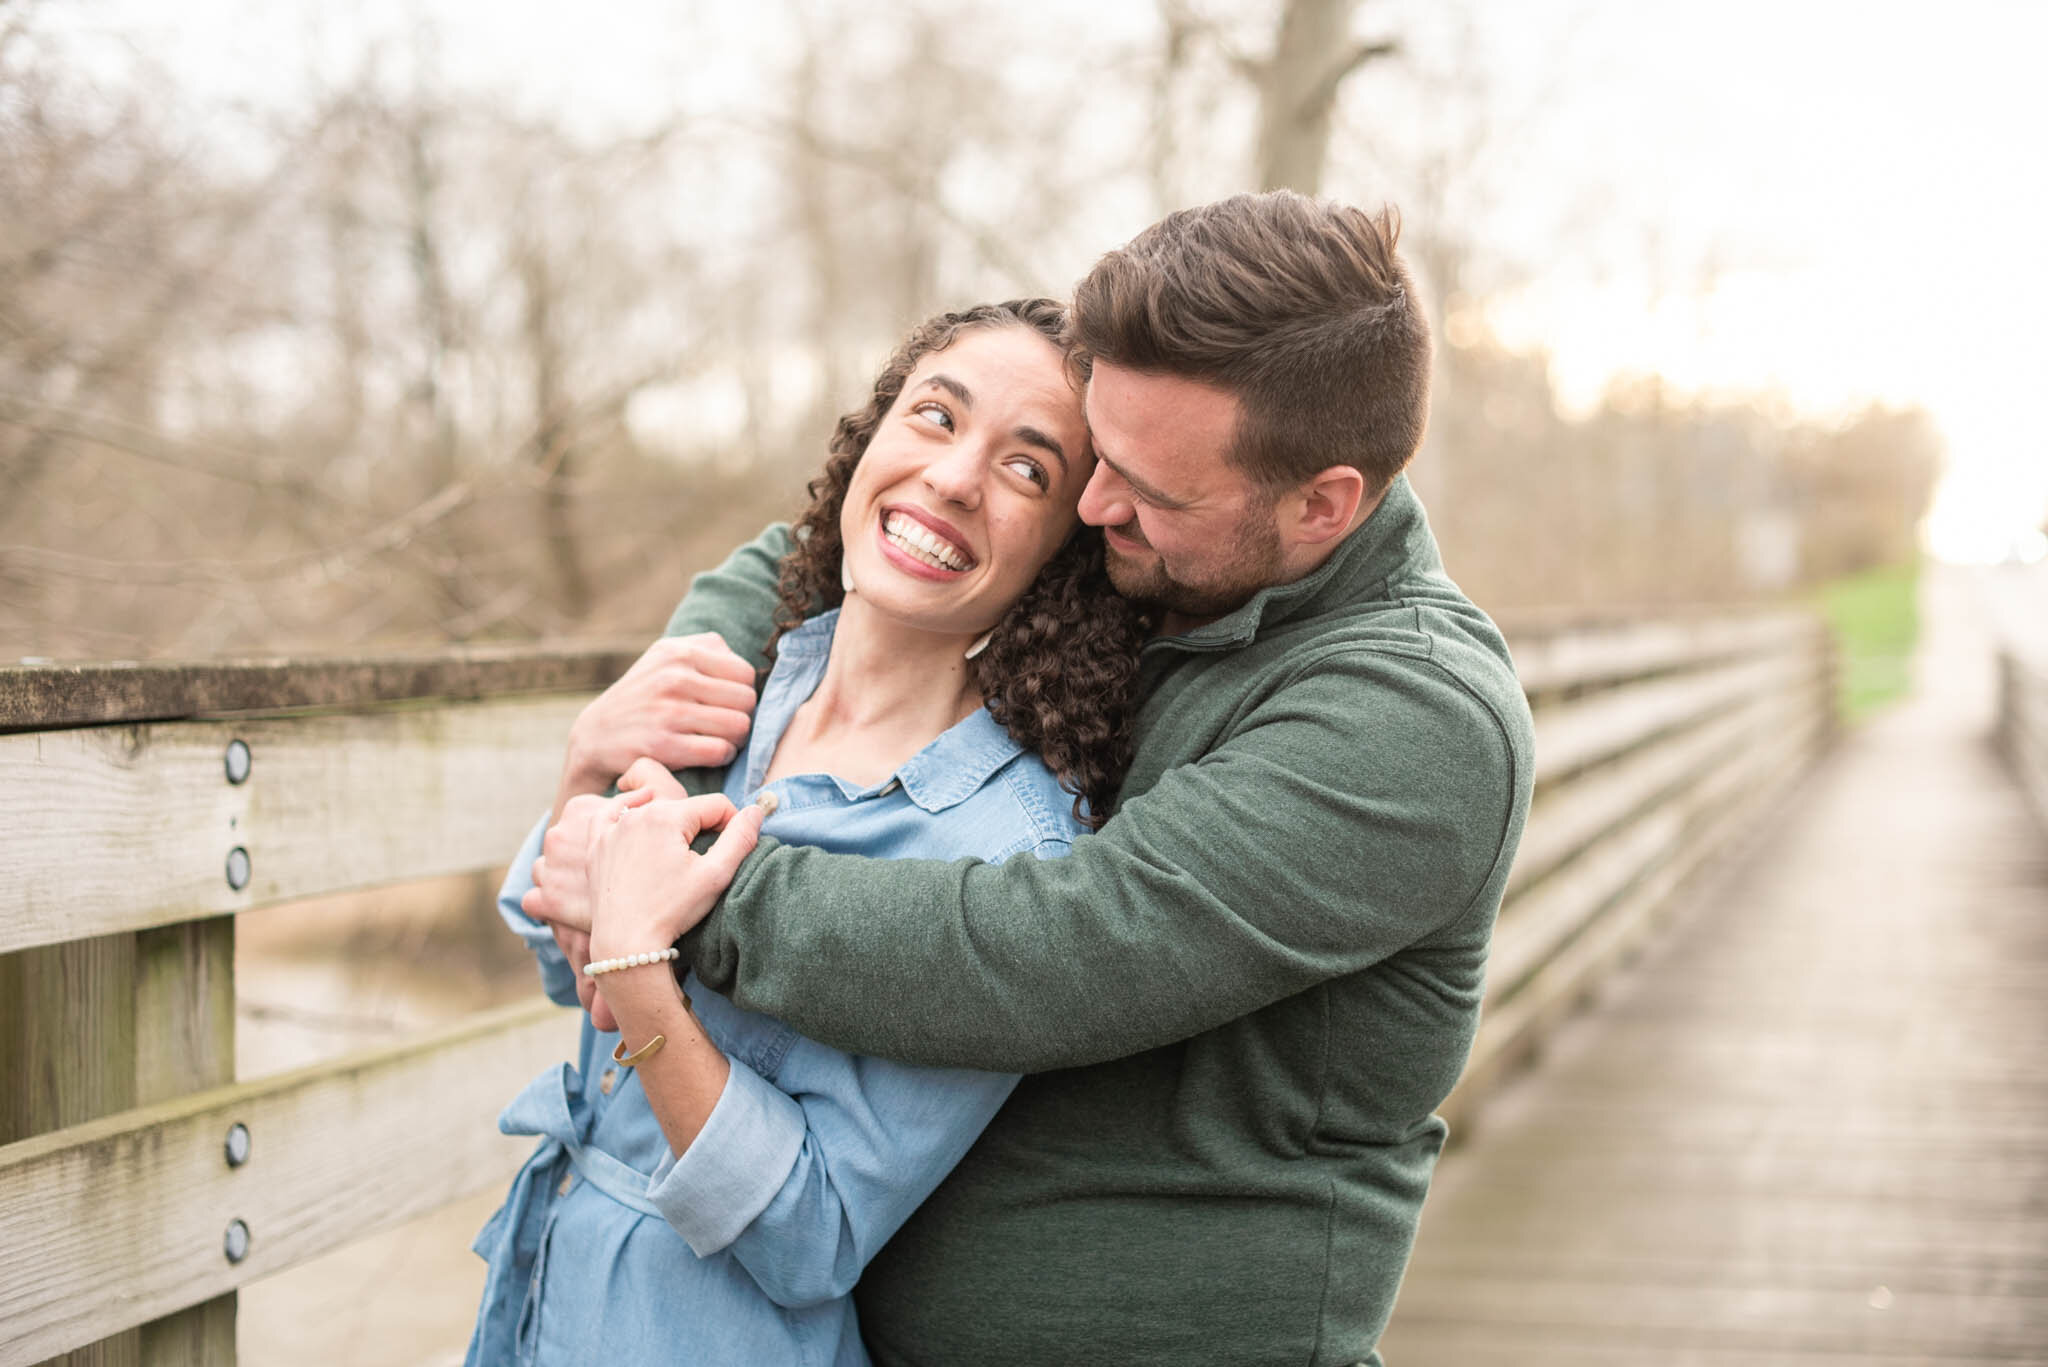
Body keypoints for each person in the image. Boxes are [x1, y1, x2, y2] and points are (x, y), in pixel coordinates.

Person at [528, 191, 1538, 1366]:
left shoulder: (1412, 718)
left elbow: (1061, 949)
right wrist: (669, 730)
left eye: (1144, 489)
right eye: (1093, 459)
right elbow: (834, 545)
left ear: (1322, 504)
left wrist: (673, 893)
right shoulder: (1160, 548)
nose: (1095, 507)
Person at [465, 298, 1150, 1366]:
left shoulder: (1007, 850)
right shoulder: (731, 691)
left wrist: (642, 972)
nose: (954, 477)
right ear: (869, 436)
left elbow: (812, 1232)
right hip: (535, 1298)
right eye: (934, 415)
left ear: (1061, 554)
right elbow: (560, 965)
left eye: (1026, 469)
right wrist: (585, 766)